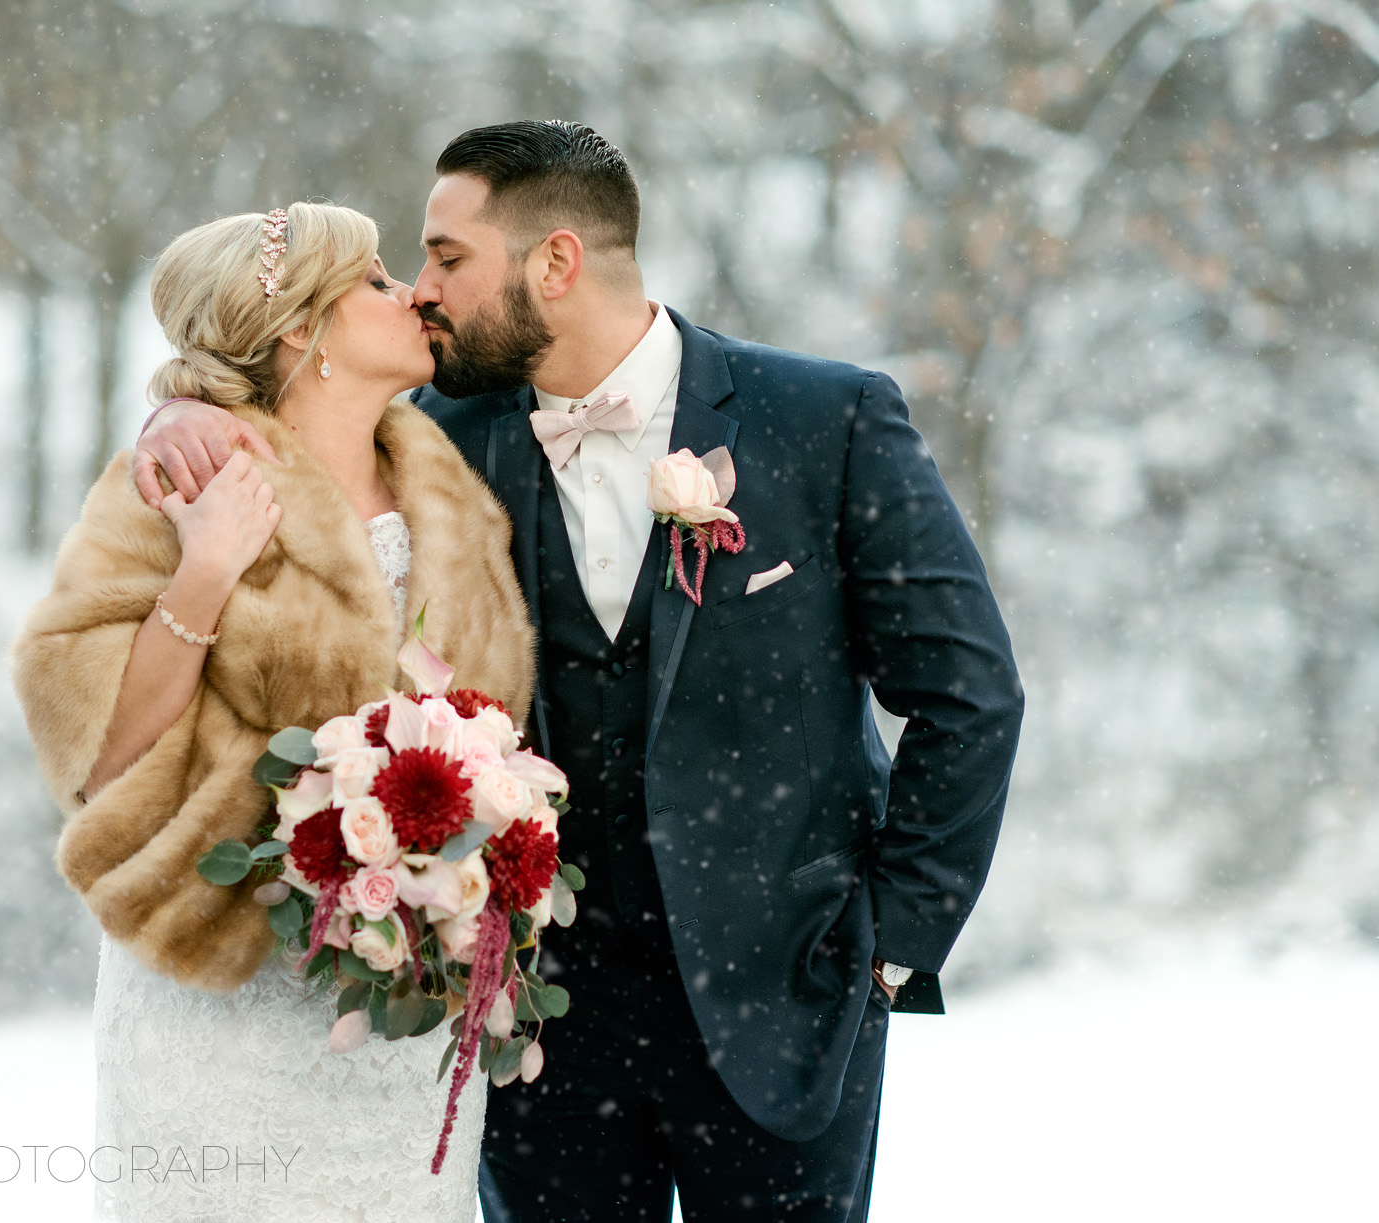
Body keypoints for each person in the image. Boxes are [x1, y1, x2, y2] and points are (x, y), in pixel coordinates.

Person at [135, 122, 1025, 1222]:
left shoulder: (823, 418)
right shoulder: (432, 439)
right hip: (536, 1031)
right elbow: (282, 404)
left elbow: (968, 692)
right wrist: (180, 408)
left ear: (554, 262)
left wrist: (889, 945)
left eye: (447, 258)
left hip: (784, 1005)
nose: (421, 291)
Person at [12, 200, 537, 1222]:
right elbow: (100, 760)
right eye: (376, 280)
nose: (411, 294)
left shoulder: (453, 488)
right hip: (223, 1007)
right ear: (301, 325)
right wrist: (204, 570)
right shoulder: (183, 473)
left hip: (407, 1025)